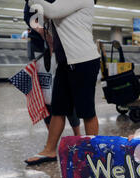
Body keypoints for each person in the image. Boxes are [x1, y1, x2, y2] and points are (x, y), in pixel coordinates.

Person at [25, 0, 100, 165]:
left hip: (83, 61)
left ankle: (93, 155)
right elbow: (43, 17)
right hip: (64, 61)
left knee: (86, 110)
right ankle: (50, 150)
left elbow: (51, 11)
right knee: (58, 108)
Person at [23, 0, 81, 151]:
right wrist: (44, 34)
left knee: (67, 94)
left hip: (64, 47)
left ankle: (77, 136)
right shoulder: (32, 3)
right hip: (40, 49)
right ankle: (53, 140)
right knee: (44, 96)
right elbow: (29, 17)